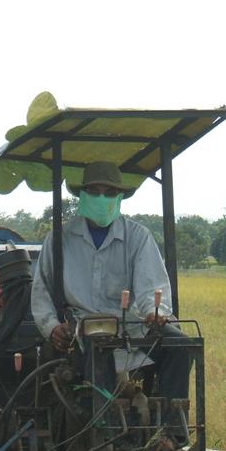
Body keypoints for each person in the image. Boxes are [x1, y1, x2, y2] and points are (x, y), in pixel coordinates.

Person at [31, 161, 192, 402]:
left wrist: (153, 312)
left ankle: (169, 430)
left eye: (110, 193)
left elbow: (151, 285)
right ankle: (104, 427)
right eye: (94, 192)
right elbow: (41, 290)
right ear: (83, 196)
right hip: (82, 328)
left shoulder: (137, 237)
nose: (102, 198)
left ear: (120, 197)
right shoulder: (60, 239)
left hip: (131, 325)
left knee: (181, 346)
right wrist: (52, 327)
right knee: (99, 348)